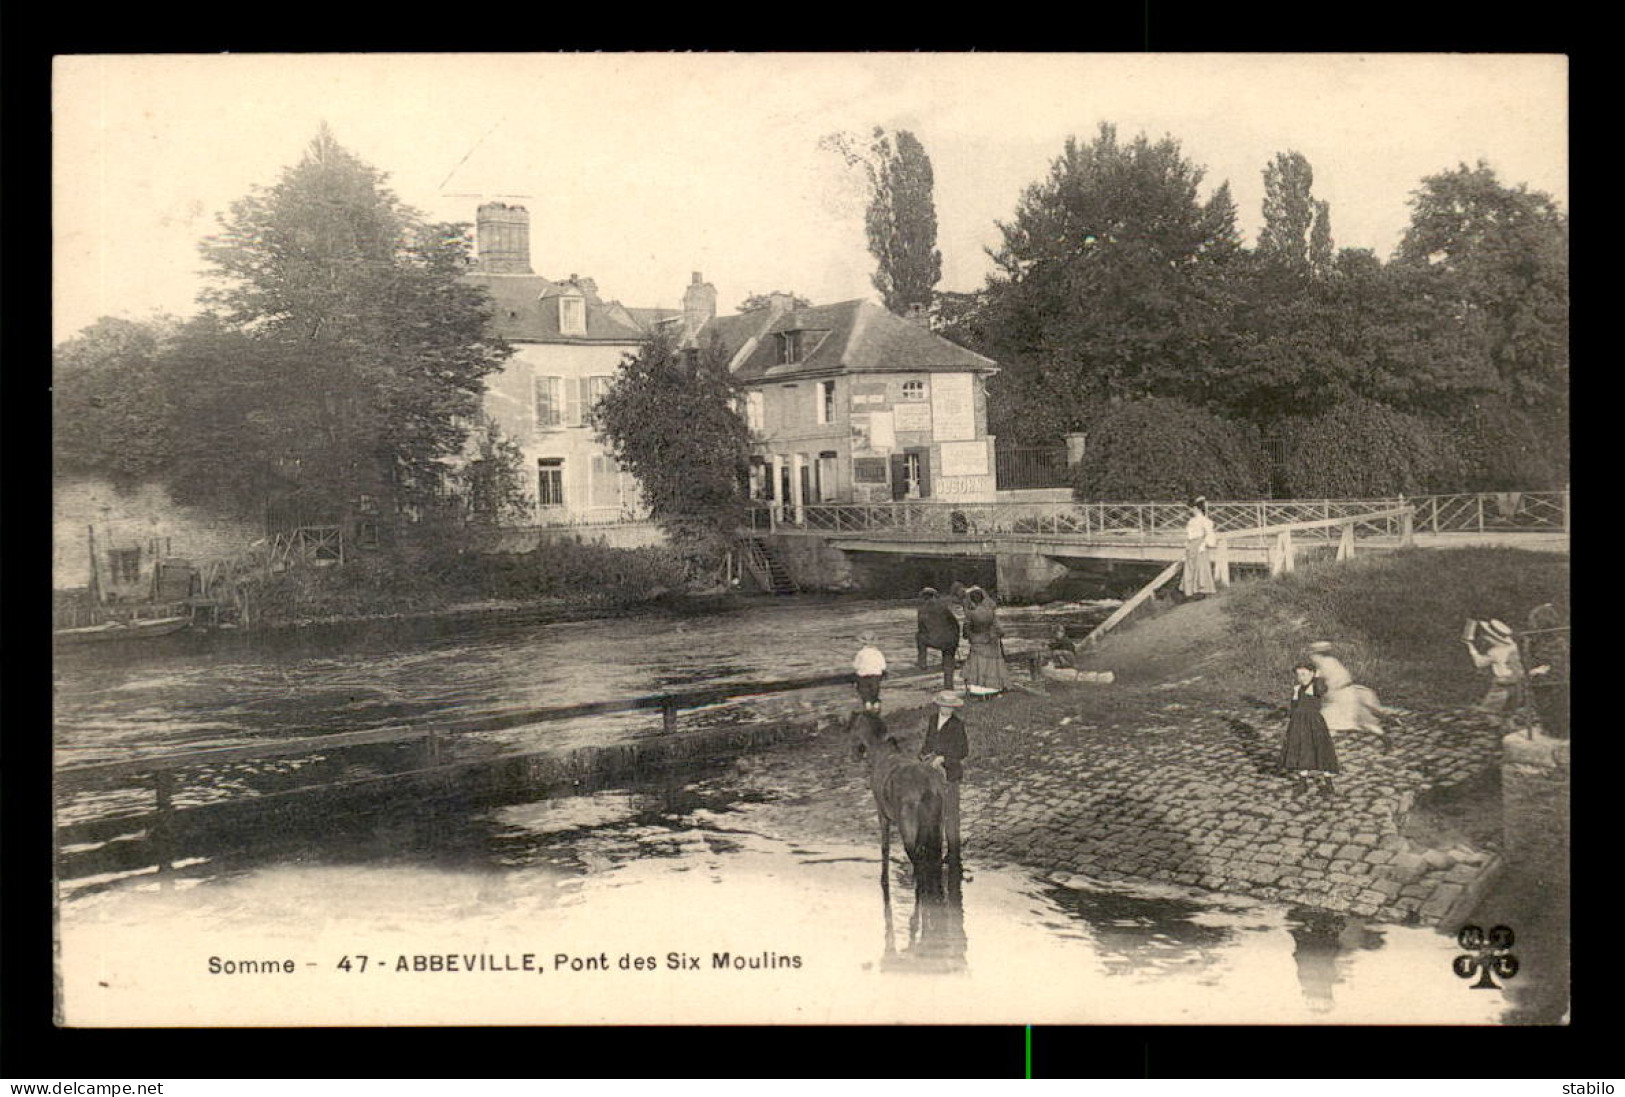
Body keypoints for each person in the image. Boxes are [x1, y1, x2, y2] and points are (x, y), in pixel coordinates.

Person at [1308, 640, 1388, 748]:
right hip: (1351, 693)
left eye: (1313, 654)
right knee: (1359, 721)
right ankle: (1381, 735)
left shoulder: (1322, 667)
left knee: (1327, 722)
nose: (1312, 657)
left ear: (1318, 655)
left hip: (1340, 698)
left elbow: (1319, 686)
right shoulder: (1333, 662)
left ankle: (1321, 751)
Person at [920, 690, 970, 858]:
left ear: (954, 708)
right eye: (944, 706)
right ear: (939, 705)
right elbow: (928, 742)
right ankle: (933, 848)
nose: (947, 710)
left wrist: (943, 758)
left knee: (950, 813)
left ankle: (953, 851)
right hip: (932, 773)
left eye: (950, 707)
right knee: (932, 811)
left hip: (950, 773)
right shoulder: (933, 720)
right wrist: (924, 755)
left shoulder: (957, 724)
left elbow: (963, 750)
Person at [1281, 661, 1339, 798]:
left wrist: (1317, 677)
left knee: (1321, 751)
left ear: (1312, 674)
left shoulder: (1316, 686)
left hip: (1315, 725)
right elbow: (1294, 707)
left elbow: (1322, 689)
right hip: (1299, 725)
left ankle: (1329, 785)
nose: (1302, 677)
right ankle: (1302, 783)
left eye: (1305, 674)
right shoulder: (1297, 689)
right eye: (1299, 675)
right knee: (1302, 751)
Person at [1463, 618, 1525, 716]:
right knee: (1509, 713)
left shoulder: (1495, 652)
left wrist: (1470, 646)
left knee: (1489, 712)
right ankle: (1507, 726)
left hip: (1502, 684)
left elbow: (1479, 663)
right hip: (1517, 683)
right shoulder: (1514, 646)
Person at [961, 586, 1010, 697]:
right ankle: (993, 689)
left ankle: (979, 690)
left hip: (977, 641)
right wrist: (999, 634)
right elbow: (998, 627)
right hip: (992, 641)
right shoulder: (990, 611)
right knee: (992, 665)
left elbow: (966, 631)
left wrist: (968, 635)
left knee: (978, 665)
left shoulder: (970, 613)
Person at [915, 587, 962, 690]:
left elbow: (921, 628)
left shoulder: (922, 610)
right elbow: (955, 623)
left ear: (924, 597)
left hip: (935, 640)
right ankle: (948, 686)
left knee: (918, 636)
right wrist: (956, 639)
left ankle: (922, 662)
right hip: (950, 640)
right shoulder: (943, 607)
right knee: (948, 660)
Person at [1180, 496, 1218, 599]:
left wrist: (1203, 544)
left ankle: (1201, 591)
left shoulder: (1204, 520)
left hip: (1199, 545)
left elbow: (1209, 534)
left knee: (1200, 568)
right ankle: (1191, 592)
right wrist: (1187, 546)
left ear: (1196, 508)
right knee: (1190, 568)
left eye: (1192, 508)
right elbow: (1189, 536)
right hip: (1191, 546)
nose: (1190, 510)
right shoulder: (1191, 521)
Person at [853, 632, 886, 712]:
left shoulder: (860, 653)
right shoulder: (877, 652)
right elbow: (883, 665)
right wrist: (881, 670)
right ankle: (876, 703)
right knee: (875, 689)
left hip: (863, 674)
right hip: (875, 674)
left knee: (864, 689)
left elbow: (855, 666)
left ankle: (868, 703)